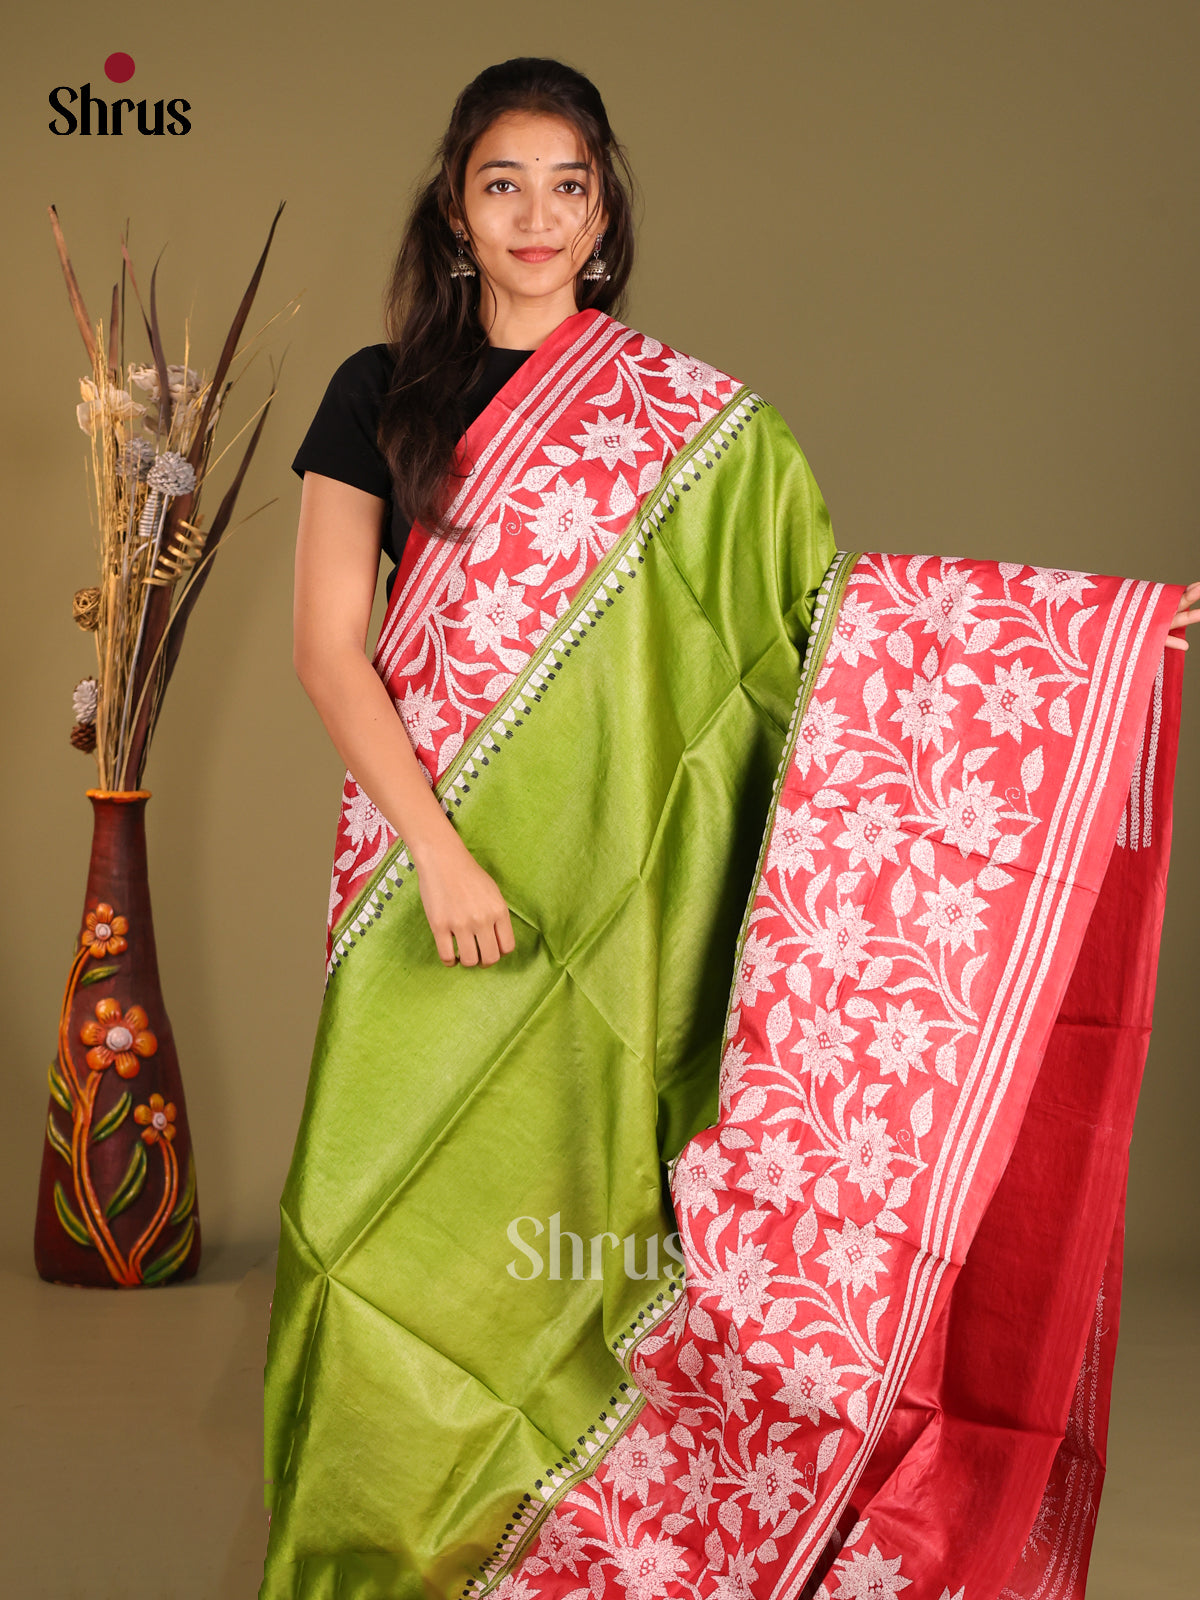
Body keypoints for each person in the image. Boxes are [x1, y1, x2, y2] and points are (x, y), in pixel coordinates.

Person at [263, 56, 1198, 1600]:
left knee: (573, 1236)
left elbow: (824, 638)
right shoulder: (379, 395)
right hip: (431, 883)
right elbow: (325, 644)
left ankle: (545, 1542)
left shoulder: (696, 430)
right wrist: (436, 849)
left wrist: (1088, 646)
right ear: (454, 206)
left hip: (617, 915)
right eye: (505, 184)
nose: (538, 216)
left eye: (570, 184)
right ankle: (370, 1552)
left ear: (607, 208)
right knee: (364, 1243)